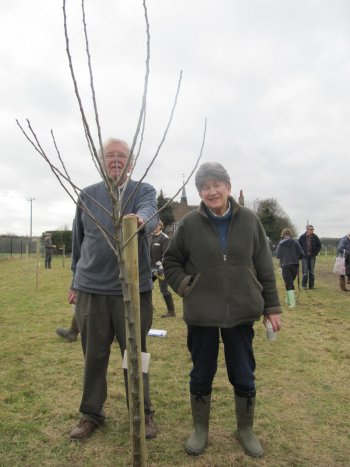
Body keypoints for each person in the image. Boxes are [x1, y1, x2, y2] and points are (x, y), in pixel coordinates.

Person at [163, 162, 282, 458]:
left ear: (229, 187)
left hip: (241, 311)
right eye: (205, 187)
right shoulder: (188, 224)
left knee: (243, 372)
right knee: (202, 371)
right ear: (200, 192)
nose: (212, 191)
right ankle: (200, 429)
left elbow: (265, 267)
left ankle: (245, 430)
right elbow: (170, 262)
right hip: (202, 313)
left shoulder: (251, 221)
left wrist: (272, 307)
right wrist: (186, 286)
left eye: (217, 185)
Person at [68, 138, 158, 441]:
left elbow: (151, 212)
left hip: (132, 291)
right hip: (91, 289)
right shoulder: (87, 195)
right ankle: (91, 413)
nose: (116, 160)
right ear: (100, 161)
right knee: (93, 355)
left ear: (130, 163)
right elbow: (77, 243)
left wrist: (141, 218)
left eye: (122, 156)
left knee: (134, 354)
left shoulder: (142, 191)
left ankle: (142, 413)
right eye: (110, 156)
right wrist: (74, 282)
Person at [150, 220, 176, 318]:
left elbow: (167, 254)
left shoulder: (164, 238)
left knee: (163, 290)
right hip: (151, 269)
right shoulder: (150, 237)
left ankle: (171, 312)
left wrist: (162, 269)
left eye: (155, 225)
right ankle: (149, 306)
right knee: (146, 286)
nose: (153, 227)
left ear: (160, 226)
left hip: (161, 270)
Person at [275, 228, 304, 308]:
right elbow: (302, 253)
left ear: (283, 235)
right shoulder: (295, 242)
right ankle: (287, 300)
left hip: (285, 265)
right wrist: (298, 258)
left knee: (289, 283)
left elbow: (277, 255)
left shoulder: (281, 243)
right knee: (289, 282)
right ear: (290, 235)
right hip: (295, 265)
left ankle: (292, 303)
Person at [298, 225, 321, 289]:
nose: (312, 230)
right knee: (305, 272)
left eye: (313, 229)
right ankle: (304, 285)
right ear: (307, 230)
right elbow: (298, 246)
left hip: (312, 257)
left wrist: (315, 253)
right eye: (311, 229)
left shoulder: (315, 237)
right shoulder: (302, 237)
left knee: (311, 272)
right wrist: (301, 254)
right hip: (304, 257)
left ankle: (311, 286)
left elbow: (319, 246)